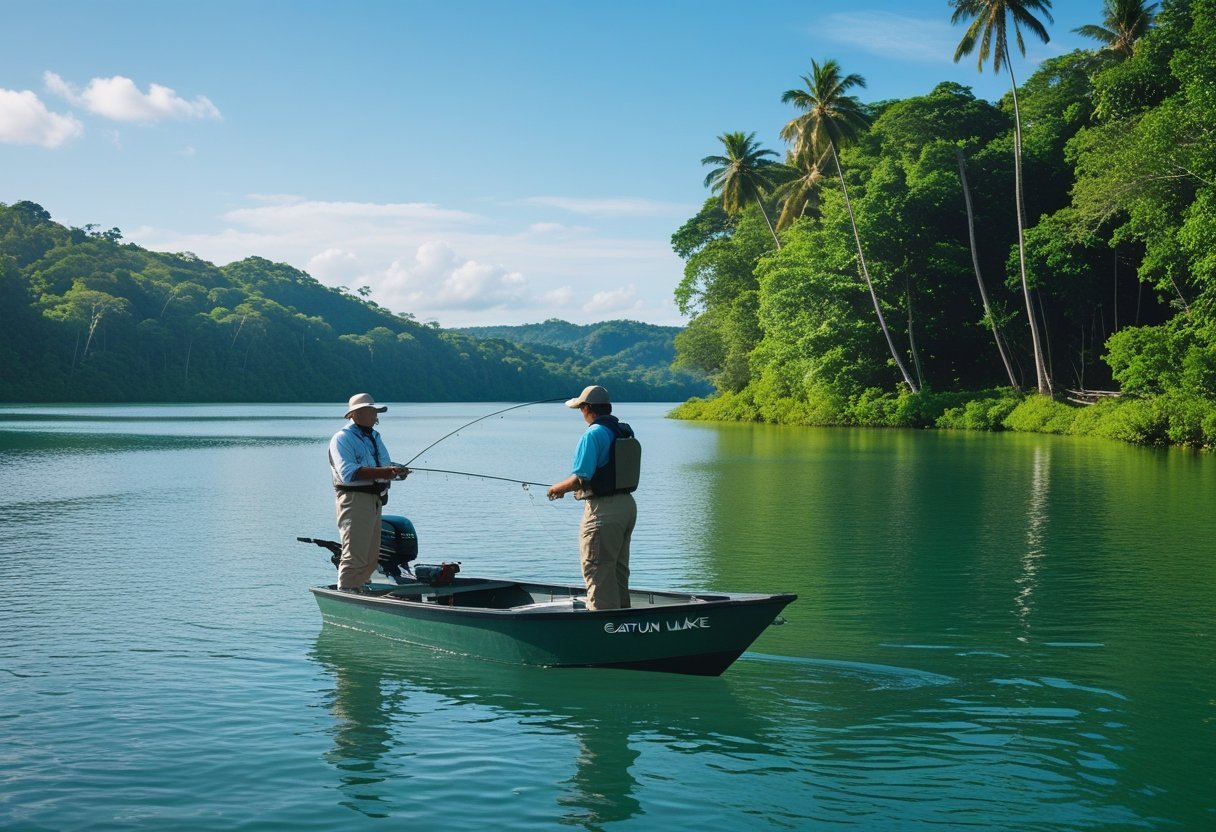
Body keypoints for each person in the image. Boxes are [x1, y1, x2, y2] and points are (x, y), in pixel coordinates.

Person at [548, 385, 640, 610]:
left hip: (603, 512)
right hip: (627, 508)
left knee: (597, 570)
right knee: (617, 571)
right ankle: (624, 624)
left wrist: (555, 489)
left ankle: (603, 629)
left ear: (588, 408)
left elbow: (580, 478)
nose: (581, 412)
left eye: (581, 408)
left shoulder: (592, 434)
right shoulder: (623, 430)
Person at [328, 393, 409, 592]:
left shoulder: (375, 436)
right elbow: (349, 473)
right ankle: (346, 593)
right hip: (354, 500)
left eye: (376, 411)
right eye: (371, 411)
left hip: (375, 500)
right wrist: (387, 472)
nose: (376, 415)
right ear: (356, 414)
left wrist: (397, 472)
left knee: (372, 558)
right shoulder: (342, 439)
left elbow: (384, 467)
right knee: (354, 555)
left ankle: (361, 590)